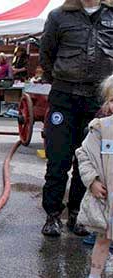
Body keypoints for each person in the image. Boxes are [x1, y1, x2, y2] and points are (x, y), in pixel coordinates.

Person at [39, 0, 113, 237]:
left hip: (98, 100)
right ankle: (52, 215)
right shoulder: (58, 16)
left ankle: (76, 214)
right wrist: (62, 80)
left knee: (90, 159)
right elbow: (46, 56)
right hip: (64, 96)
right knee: (58, 157)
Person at [75, 74, 113, 278]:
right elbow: (84, 155)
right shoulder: (100, 128)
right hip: (107, 197)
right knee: (102, 239)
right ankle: (94, 274)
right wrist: (92, 181)